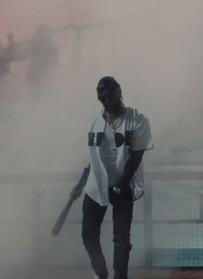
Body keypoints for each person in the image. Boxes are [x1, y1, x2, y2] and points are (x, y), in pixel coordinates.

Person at [81, 76, 154, 279]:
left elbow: (137, 155)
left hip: (122, 185)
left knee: (121, 239)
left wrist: (122, 183)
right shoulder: (94, 119)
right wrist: (85, 181)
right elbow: (93, 155)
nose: (105, 101)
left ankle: (120, 277)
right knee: (88, 235)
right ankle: (101, 273)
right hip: (96, 185)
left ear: (118, 92)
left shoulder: (138, 119)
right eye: (101, 97)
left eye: (109, 96)